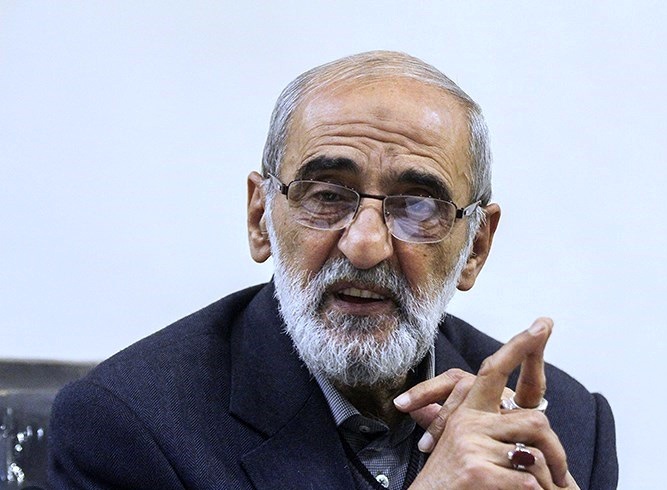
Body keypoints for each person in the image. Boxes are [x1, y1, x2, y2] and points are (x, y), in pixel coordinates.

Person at [48, 51, 618, 489]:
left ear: (475, 248)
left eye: (419, 206)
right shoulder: (130, 426)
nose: (365, 246)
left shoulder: (564, 427)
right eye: (326, 195)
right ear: (260, 218)